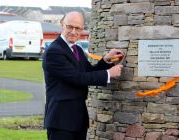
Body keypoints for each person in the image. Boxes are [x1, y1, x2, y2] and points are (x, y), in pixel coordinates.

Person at [42, 11, 123, 140]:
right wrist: (108, 74)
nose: (74, 31)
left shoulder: (77, 49)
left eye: (78, 28)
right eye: (70, 27)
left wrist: (106, 60)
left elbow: (88, 72)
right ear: (62, 25)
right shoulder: (54, 52)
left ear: (82, 29)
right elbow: (77, 78)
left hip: (78, 120)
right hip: (61, 122)